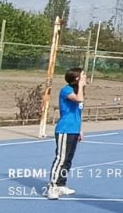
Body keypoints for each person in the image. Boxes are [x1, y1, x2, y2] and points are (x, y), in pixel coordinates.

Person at [46, 68, 86, 200]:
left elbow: (77, 113)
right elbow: (79, 100)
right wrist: (80, 86)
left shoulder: (77, 91)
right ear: (77, 78)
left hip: (74, 130)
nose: (85, 77)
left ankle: (61, 184)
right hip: (65, 129)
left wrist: (80, 129)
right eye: (83, 75)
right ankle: (52, 186)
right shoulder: (67, 90)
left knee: (68, 160)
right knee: (61, 159)